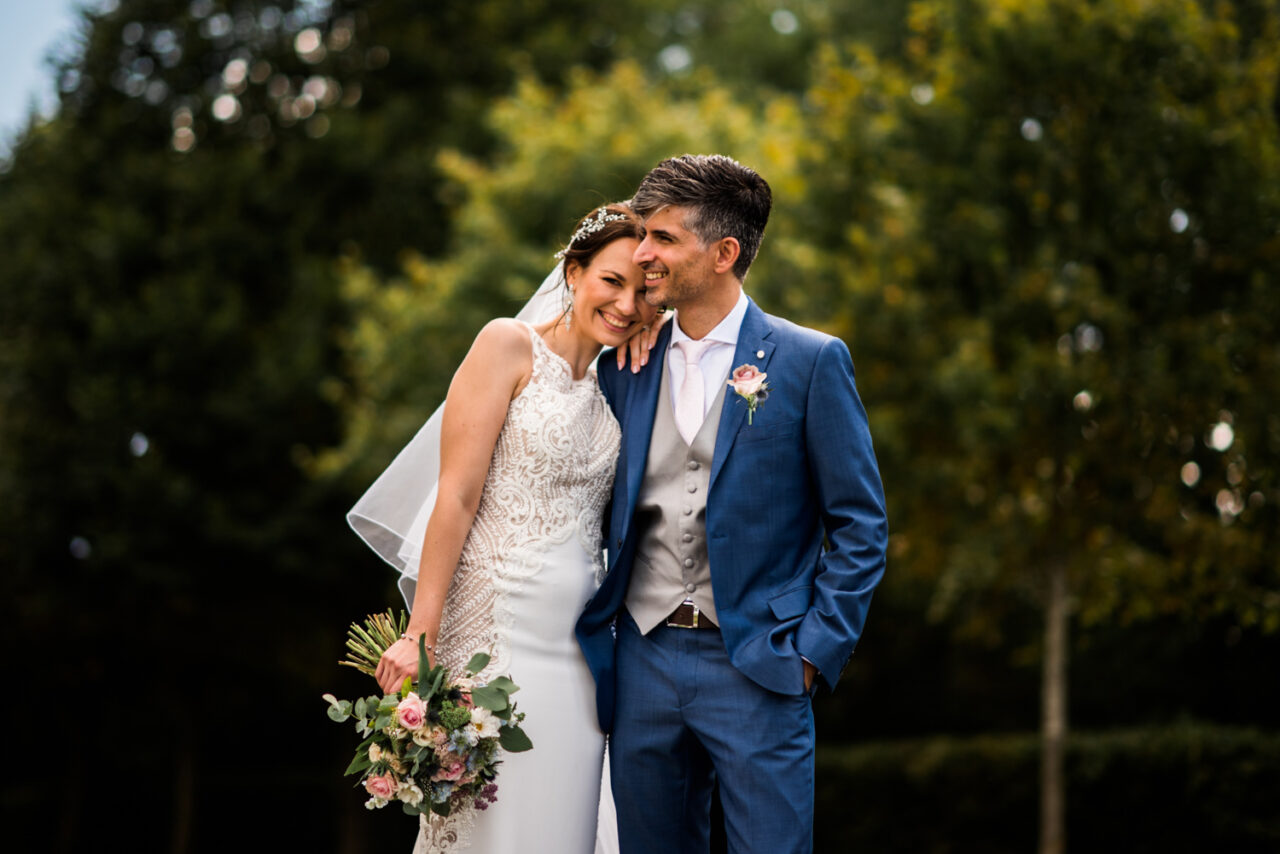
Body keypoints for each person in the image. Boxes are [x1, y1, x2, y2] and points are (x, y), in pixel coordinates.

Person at [575, 155, 889, 854]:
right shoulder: (625, 363)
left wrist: (813, 651)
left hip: (760, 661)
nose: (643, 252)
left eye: (663, 239)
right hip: (642, 664)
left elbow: (861, 525)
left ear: (724, 254)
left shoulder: (810, 362)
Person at [348, 202, 659, 852]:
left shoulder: (620, 389)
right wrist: (419, 635)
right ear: (573, 273)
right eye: (612, 281)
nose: (627, 304)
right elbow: (456, 497)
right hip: (492, 641)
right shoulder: (506, 345)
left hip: (578, 660)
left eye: (642, 291)